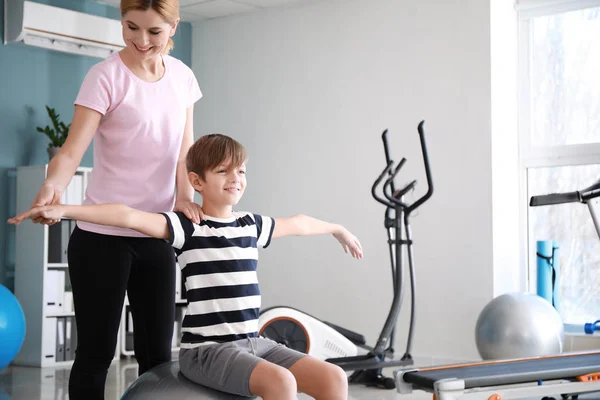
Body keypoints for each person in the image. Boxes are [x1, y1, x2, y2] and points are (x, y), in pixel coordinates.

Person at [10, 133, 364, 400]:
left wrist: (338, 229)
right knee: (281, 382)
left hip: (254, 342)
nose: (235, 177)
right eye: (223, 171)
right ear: (197, 181)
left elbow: (299, 222)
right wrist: (63, 210)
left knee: (335, 378)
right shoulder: (187, 226)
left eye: (240, 170)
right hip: (207, 350)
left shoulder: (251, 225)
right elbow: (126, 216)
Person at [25, 1, 203, 398]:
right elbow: (72, 151)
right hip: (100, 239)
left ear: (173, 27)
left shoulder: (182, 78)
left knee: (158, 356)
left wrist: (186, 200)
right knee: (96, 352)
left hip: (156, 232)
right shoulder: (104, 76)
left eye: (154, 32)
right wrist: (53, 186)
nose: (141, 40)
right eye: (131, 27)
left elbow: (183, 149)